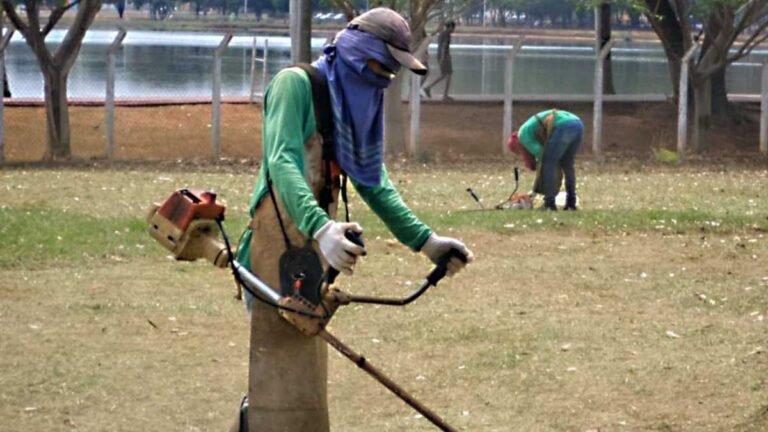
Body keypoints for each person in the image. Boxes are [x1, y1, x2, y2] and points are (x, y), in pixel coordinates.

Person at [233, 7, 473, 432]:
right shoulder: (296, 86)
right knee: (272, 377)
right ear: (359, 52)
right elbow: (282, 162)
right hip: (274, 249)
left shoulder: (353, 111)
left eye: (392, 73)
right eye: (383, 66)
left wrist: (427, 241)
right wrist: (320, 226)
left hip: (314, 253)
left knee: (301, 379)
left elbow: (373, 182)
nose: (385, 80)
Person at [507, 109, 583, 211]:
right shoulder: (528, 130)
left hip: (562, 125)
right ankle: (571, 203)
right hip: (577, 123)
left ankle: (549, 204)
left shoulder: (523, 136)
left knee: (548, 163)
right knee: (567, 164)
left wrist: (535, 190)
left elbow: (541, 155)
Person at [420, 19, 455, 101]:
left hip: (441, 55)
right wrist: (443, 57)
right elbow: (444, 45)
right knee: (448, 75)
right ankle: (444, 95)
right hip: (444, 56)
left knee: (444, 75)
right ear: (450, 27)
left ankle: (428, 88)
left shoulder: (441, 34)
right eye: (453, 28)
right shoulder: (446, 34)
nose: (453, 30)